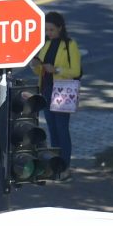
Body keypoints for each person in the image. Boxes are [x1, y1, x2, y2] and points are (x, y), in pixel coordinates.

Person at [35, 11, 82, 176]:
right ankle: (54, 165)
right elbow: (40, 69)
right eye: (46, 30)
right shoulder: (46, 44)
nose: (49, 33)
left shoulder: (69, 45)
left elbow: (76, 70)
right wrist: (36, 65)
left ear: (60, 28)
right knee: (52, 128)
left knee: (62, 128)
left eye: (52, 30)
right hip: (47, 88)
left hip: (62, 90)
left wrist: (57, 70)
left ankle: (64, 166)